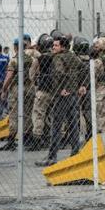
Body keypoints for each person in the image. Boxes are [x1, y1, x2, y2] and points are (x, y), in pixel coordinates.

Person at [36, 37, 87, 167]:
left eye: (56, 45)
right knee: (73, 125)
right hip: (74, 95)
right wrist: (83, 85)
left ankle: (52, 156)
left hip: (62, 96)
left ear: (62, 47)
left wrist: (60, 90)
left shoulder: (58, 58)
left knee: (56, 126)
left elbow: (58, 74)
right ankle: (75, 152)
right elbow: (84, 69)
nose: (53, 47)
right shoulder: (73, 56)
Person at [0, 35, 37, 152]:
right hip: (30, 87)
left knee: (14, 113)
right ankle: (27, 138)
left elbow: (9, 77)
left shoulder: (14, 60)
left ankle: (11, 140)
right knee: (28, 113)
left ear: (15, 47)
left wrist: (4, 89)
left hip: (16, 89)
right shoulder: (32, 59)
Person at [30, 34, 55, 151]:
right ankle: (51, 137)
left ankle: (37, 139)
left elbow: (32, 76)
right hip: (55, 91)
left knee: (39, 114)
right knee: (51, 115)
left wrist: (36, 83)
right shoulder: (57, 57)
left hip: (42, 90)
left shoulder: (38, 59)